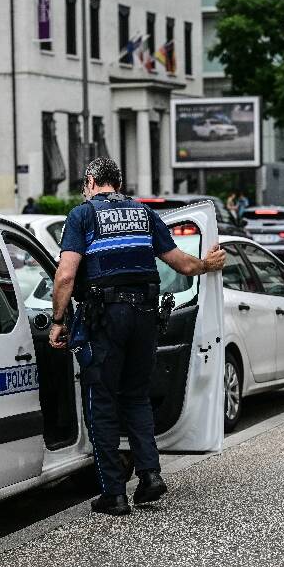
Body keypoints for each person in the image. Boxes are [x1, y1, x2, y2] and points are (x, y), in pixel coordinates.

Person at [49, 157, 226, 516]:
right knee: (136, 397)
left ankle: (114, 494)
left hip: (105, 319)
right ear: (119, 182)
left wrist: (57, 321)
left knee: (102, 401)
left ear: (91, 181)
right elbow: (182, 264)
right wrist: (209, 264)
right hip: (145, 316)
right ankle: (150, 476)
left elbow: (66, 276)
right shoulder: (143, 213)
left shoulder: (83, 215)